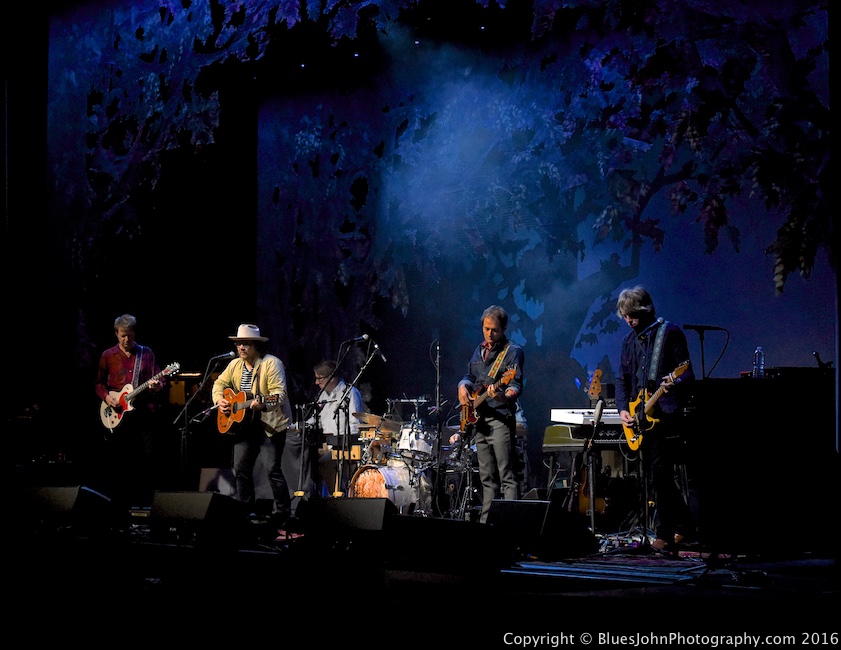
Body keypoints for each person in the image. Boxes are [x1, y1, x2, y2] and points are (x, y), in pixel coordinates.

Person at [614, 285, 695, 554]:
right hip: (640, 416)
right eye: (625, 316)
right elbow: (622, 380)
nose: (628, 321)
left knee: (660, 473)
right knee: (655, 475)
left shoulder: (668, 333)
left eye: (632, 315)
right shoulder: (628, 342)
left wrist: (674, 383)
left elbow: (686, 372)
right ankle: (684, 524)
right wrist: (623, 408)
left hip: (666, 415)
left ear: (644, 310)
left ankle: (664, 534)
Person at [212, 324, 295, 540]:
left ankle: (283, 515)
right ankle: (244, 511)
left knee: (272, 470)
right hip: (245, 426)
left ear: (256, 345)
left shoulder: (272, 363)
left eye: (246, 343)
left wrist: (262, 404)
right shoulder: (235, 365)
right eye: (239, 343)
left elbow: (279, 394)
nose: (241, 347)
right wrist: (219, 399)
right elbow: (219, 383)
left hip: (270, 424)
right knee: (240, 469)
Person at [450, 305, 525, 523]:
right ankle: (486, 526)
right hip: (479, 421)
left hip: (501, 419)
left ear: (504, 329)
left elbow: (516, 384)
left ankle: (511, 527)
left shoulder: (513, 352)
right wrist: (462, 385)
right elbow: (470, 376)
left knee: (507, 476)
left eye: (494, 330)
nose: (489, 334)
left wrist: (504, 396)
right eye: (485, 329)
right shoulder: (479, 350)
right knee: (487, 478)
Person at [93, 313, 168, 512]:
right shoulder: (108, 355)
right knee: (120, 462)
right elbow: (99, 384)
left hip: (143, 415)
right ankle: (119, 507)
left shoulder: (146, 353)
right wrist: (108, 398)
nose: (127, 340)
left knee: (147, 460)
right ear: (116, 334)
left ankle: (148, 507)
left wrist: (155, 387)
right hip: (117, 416)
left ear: (135, 333)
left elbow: (160, 381)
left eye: (130, 335)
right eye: (123, 335)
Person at [308, 359, 365, 497]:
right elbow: (317, 420)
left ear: (331, 378)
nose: (316, 383)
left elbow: (355, 424)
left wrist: (341, 441)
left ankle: (337, 496)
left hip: (345, 446)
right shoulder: (323, 395)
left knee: (322, 462)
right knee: (305, 458)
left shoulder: (350, 393)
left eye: (319, 379)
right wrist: (299, 426)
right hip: (327, 444)